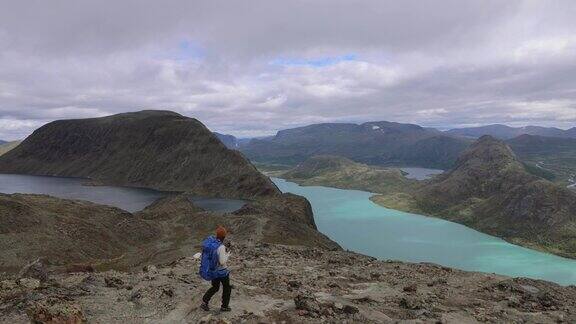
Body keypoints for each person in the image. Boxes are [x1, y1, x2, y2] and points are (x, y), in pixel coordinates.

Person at [200, 226, 232, 312]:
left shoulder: (213, 244)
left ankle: (204, 302)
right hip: (222, 272)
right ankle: (224, 306)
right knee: (227, 288)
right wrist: (228, 254)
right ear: (224, 236)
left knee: (215, 287)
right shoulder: (221, 247)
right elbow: (222, 261)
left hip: (213, 271)